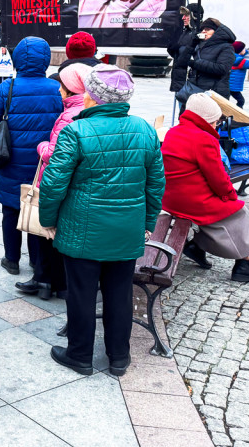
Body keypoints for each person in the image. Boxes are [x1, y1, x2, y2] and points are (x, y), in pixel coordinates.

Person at [38, 65, 165, 377]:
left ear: (92, 96)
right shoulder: (145, 129)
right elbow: (156, 183)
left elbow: (54, 183)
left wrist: (48, 220)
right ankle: (119, 357)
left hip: (82, 228)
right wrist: (147, 222)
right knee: (119, 293)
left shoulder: (76, 131)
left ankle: (80, 355)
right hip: (126, 229)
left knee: (81, 292)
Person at [163, 94, 249, 283]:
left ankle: (197, 247)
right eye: (215, 122)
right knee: (238, 211)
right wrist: (231, 197)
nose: (216, 125)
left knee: (222, 207)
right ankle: (244, 265)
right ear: (206, 120)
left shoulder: (173, 132)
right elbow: (219, 179)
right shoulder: (203, 139)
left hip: (171, 197)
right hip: (191, 200)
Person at [0, 36, 63, 275]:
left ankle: (11, 259)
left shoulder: (7, 88)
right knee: (37, 208)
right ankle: (36, 260)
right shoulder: (56, 88)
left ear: (17, 59)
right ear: (46, 60)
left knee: (10, 210)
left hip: (10, 161)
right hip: (43, 163)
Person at [16, 63, 93, 300]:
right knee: (59, 234)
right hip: (76, 181)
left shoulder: (69, 114)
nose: (58, 89)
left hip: (56, 179)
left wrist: (40, 146)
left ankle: (44, 281)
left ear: (70, 88)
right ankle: (58, 282)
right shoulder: (84, 109)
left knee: (46, 233)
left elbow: (56, 152)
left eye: (62, 85)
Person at [186, 18, 236, 99]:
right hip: (195, 90)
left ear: (216, 32)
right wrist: (192, 43)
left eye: (208, 29)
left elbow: (222, 68)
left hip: (214, 92)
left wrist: (195, 63)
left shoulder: (226, 47)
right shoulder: (199, 45)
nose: (204, 31)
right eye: (202, 29)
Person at [167, 4, 203, 96]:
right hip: (180, 79)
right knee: (182, 107)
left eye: (186, 15)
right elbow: (179, 57)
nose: (183, 18)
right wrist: (172, 48)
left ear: (194, 16)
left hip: (192, 81)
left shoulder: (200, 34)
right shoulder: (184, 32)